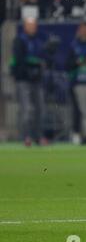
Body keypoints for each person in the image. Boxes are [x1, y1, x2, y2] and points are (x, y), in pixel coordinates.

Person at [11, 17, 48, 146]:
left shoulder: (39, 40)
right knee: (26, 110)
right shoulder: (19, 40)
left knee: (40, 109)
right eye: (30, 26)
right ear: (25, 27)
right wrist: (35, 63)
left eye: (34, 26)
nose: (33, 28)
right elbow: (20, 59)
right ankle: (26, 137)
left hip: (37, 79)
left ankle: (38, 137)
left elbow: (44, 57)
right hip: (23, 79)